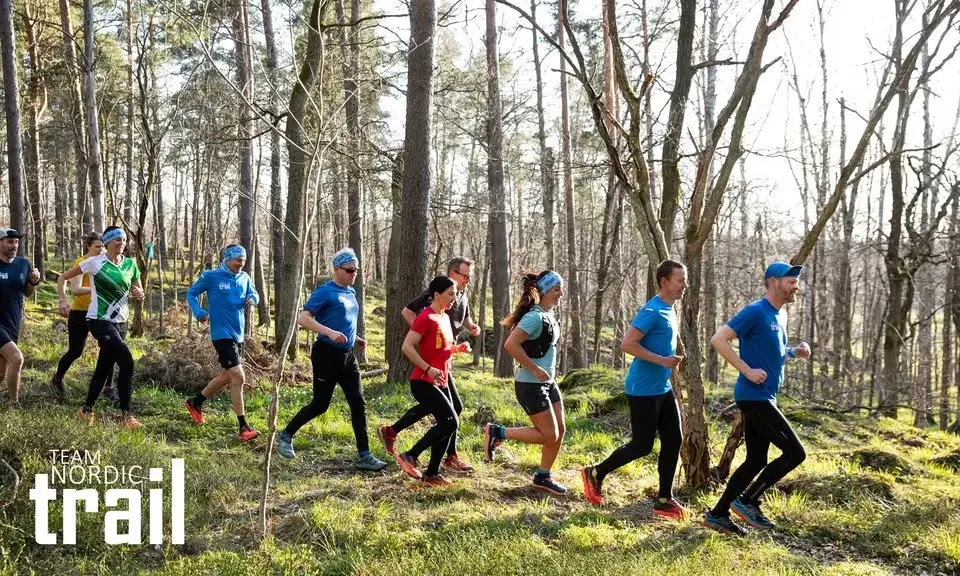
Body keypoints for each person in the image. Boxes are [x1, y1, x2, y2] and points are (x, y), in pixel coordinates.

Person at [703, 261, 811, 536]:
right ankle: (749, 500)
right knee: (795, 453)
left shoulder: (780, 315)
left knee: (755, 461)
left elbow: (771, 352)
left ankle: (718, 514)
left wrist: (792, 352)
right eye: (791, 281)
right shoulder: (755, 311)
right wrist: (747, 371)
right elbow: (719, 339)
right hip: (754, 397)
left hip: (765, 396)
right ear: (774, 282)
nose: (796, 286)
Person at [581, 260, 688, 519]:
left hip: (661, 388)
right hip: (642, 389)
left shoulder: (670, 309)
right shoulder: (652, 310)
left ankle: (664, 499)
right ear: (664, 282)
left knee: (674, 439)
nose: (685, 286)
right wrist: (662, 360)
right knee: (642, 445)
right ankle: (595, 472)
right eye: (680, 281)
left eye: (685, 281)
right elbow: (627, 344)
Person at [275, 248, 387, 471]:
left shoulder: (351, 292)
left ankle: (364, 455)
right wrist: (328, 332)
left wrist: (357, 338)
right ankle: (286, 435)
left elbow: (344, 320)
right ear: (337, 269)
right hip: (326, 354)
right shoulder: (325, 292)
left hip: (348, 356)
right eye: (349, 270)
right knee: (320, 404)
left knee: (358, 403)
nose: (354, 274)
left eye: (356, 270)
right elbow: (303, 319)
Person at [378, 257, 480, 473]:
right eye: (465, 276)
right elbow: (409, 331)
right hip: (427, 373)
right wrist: (423, 337)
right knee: (450, 417)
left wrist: (456, 346)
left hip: (441, 368)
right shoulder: (430, 309)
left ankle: (430, 468)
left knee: (446, 414)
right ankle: (422, 456)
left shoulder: (451, 306)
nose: (468, 281)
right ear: (452, 274)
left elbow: (460, 322)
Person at [483, 270, 567, 494]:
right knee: (549, 434)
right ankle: (497, 432)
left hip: (548, 382)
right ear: (545, 291)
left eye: (561, 289)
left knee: (560, 430)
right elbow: (511, 345)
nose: (561, 294)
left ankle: (543, 476)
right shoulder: (534, 317)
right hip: (530, 383)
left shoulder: (549, 316)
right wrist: (535, 368)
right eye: (557, 289)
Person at [58, 226, 145, 429]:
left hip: (121, 322)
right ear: (107, 242)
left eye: (124, 240)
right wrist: (62, 300)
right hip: (99, 320)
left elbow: (139, 289)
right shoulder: (95, 262)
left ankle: (86, 410)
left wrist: (139, 294)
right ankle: (126, 416)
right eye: (117, 240)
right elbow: (63, 277)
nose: (122, 243)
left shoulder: (130, 264)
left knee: (103, 367)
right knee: (127, 363)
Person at [393, 276, 472, 486]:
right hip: (423, 380)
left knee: (448, 423)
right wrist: (428, 368)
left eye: (455, 294)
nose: (454, 298)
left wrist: (457, 348)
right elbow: (407, 347)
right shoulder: (425, 317)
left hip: (441, 379)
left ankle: (432, 473)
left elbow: (440, 348)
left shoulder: (444, 317)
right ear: (436, 294)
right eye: (450, 294)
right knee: (451, 421)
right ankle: (410, 455)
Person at [184, 244, 261, 442]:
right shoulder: (212, 276)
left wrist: (253, 298)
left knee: (228, 376)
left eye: (243, 262)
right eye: (238, 261)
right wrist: (199, 312)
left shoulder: (244, 278)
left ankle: (196, 402)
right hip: (221, 334)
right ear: (227, 259)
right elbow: (191, 294)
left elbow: (255, 294)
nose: (241, 265)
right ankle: (243, 426)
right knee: (238, 376)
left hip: (239, 335)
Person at [50, 233, 119, 401]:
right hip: (81, 313)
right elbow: (76, 289)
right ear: (88, 246)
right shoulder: (82, 263)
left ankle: (108, 388)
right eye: (97, 246)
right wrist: (63, 300)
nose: (101, 249)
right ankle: (57, 379)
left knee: (109, 349)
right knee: (75, 351)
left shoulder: (106, 263)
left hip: (101, 314)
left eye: (103, 246)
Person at [0, 228, 40, 403]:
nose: (13, 245)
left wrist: (33, 282)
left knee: (2, 370)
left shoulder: (24, 264)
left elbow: (27, 293)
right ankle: (14, 403)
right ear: (0, 242)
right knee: (17, 358)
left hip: (13, 322)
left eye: (16, 242)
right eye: (9, 241)